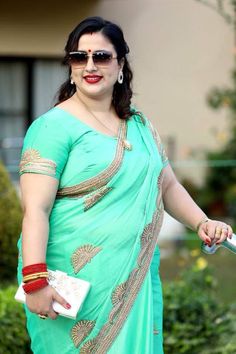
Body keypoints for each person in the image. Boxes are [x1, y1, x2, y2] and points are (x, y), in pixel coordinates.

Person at [17, 16, 233, 354]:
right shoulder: (52, 128)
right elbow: (36, 210)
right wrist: (34, 281)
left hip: (133, 278)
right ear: (71, 66)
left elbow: (167, 183)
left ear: (120, 65)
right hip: (76, 285)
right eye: (79, 57)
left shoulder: (139, 124)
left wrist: (202, 222)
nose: (90, 65)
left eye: (101, 57)